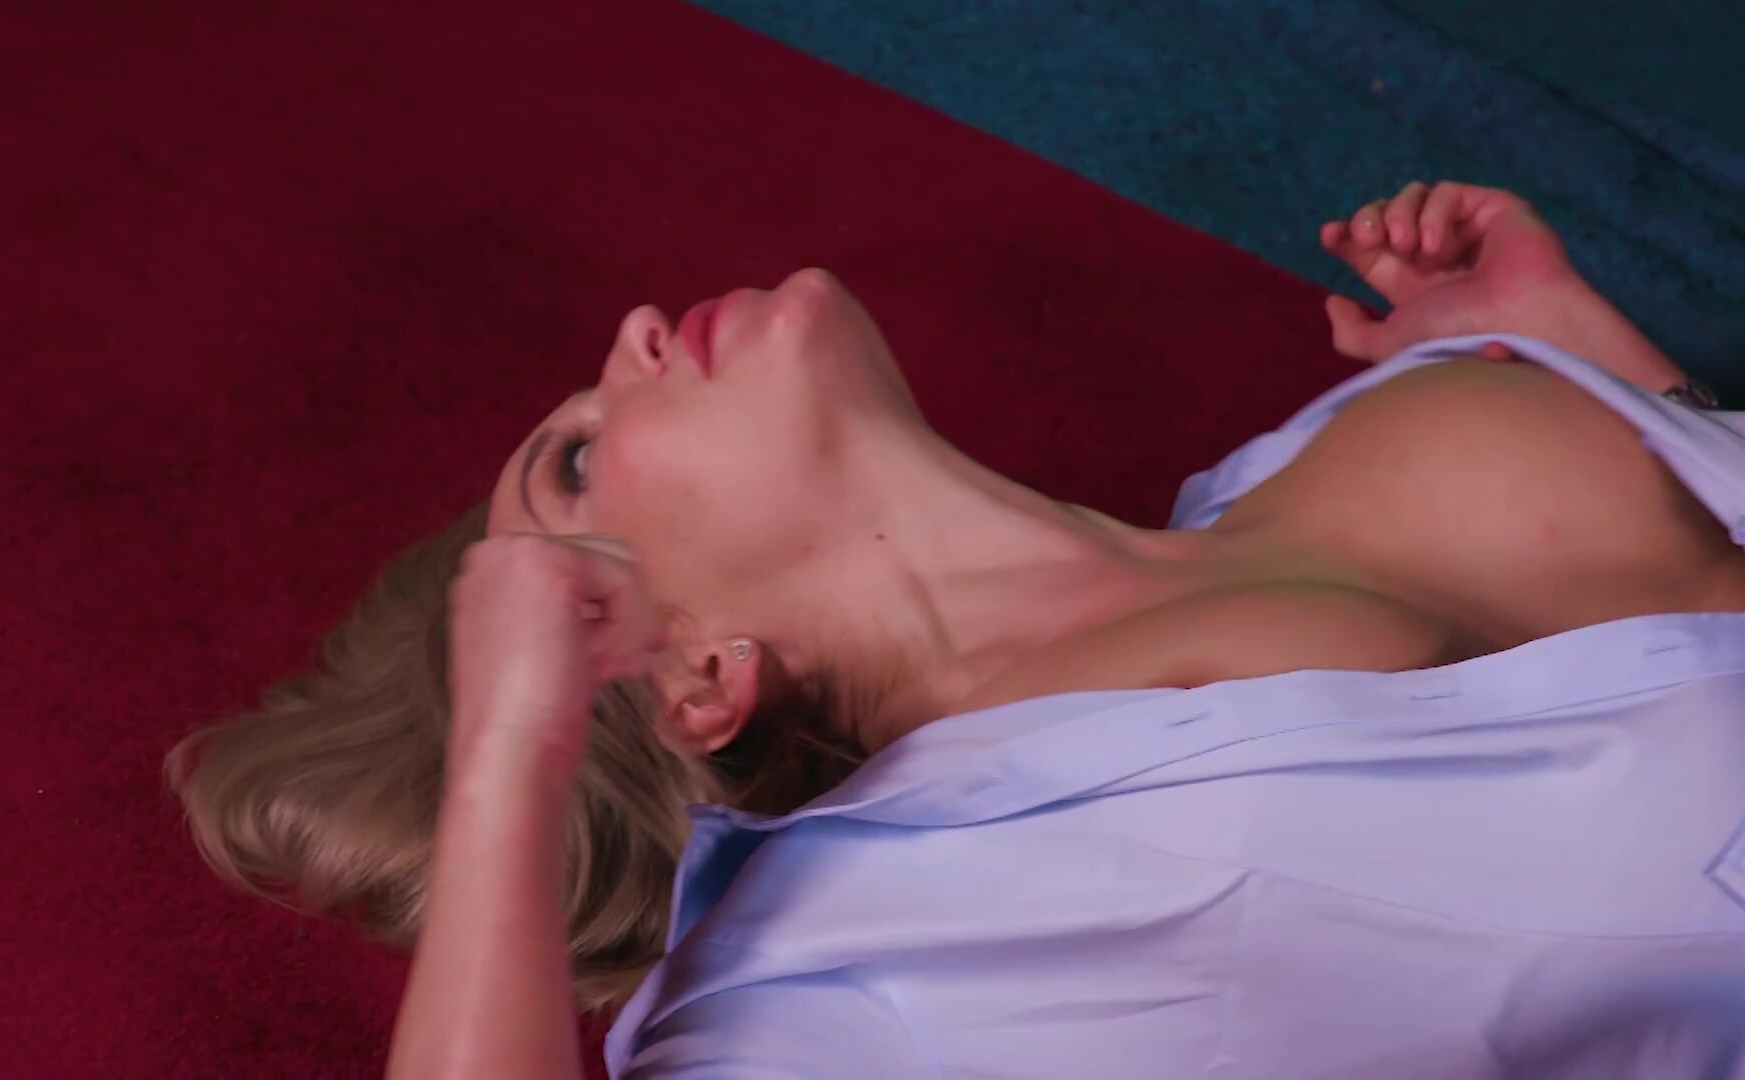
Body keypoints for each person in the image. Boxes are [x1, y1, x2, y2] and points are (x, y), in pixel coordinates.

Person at [170, 182, 1745, 1077]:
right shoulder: (893, 943)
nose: (630, 334)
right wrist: (508, 759)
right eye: (577, 460)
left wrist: (1604, 365)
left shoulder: (1302, 455)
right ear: (693, 672)